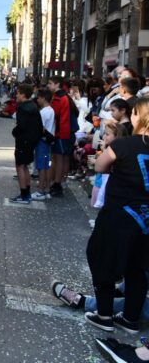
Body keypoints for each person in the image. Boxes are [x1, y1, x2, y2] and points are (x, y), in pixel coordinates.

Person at [85, 97, 149, 336]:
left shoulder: (125, 144)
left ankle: (104, 316)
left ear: (137, 116)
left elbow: (100, 165)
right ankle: (130, 319)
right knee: (137, 267)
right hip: (146, 217)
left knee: (102, 258)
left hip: (120, 212)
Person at [10, 84, 43, 204]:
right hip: (31, 141)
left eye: (18, 93)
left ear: (23, 94)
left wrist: (14, 132)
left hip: (23, 140)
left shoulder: (22, 108)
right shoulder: (33, 106)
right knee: (25, 166)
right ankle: (26, 193)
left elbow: (21, 126)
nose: (16, 95)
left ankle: (24, 195)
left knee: (20, 166)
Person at [48, 76, 75, 197]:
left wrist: (57, 134)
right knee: (63, 158)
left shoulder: (59, 98)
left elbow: (57, 116)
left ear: (57, 84)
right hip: (66, 132)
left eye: (50, 83)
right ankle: (60, 182)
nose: (48, 85)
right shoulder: (65, 96)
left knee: (58, 158)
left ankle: (57, 183)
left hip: (61, 133)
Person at [31, 89, 55, 201]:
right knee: (47, 165)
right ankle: (47, 188)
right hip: (49, 142)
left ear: (44, 98)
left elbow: (41, 128)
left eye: (39, 98)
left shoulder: (43, 112)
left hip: (42, 142)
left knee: (41, 166)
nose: (37, 100)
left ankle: (40, 190)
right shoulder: (51, 110)